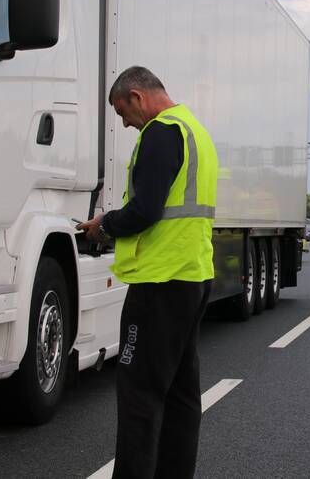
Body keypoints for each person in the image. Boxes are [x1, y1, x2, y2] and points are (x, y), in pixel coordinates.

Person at [77, 66, 217, 479]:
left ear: (137, 97)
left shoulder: (159, 131)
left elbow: (146, 210)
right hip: (192, 276)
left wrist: (104, 227)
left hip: (159, 282)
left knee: (140, 396)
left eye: (123, 113)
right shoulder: (194, 130)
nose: (125, 123)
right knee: (181, 395)